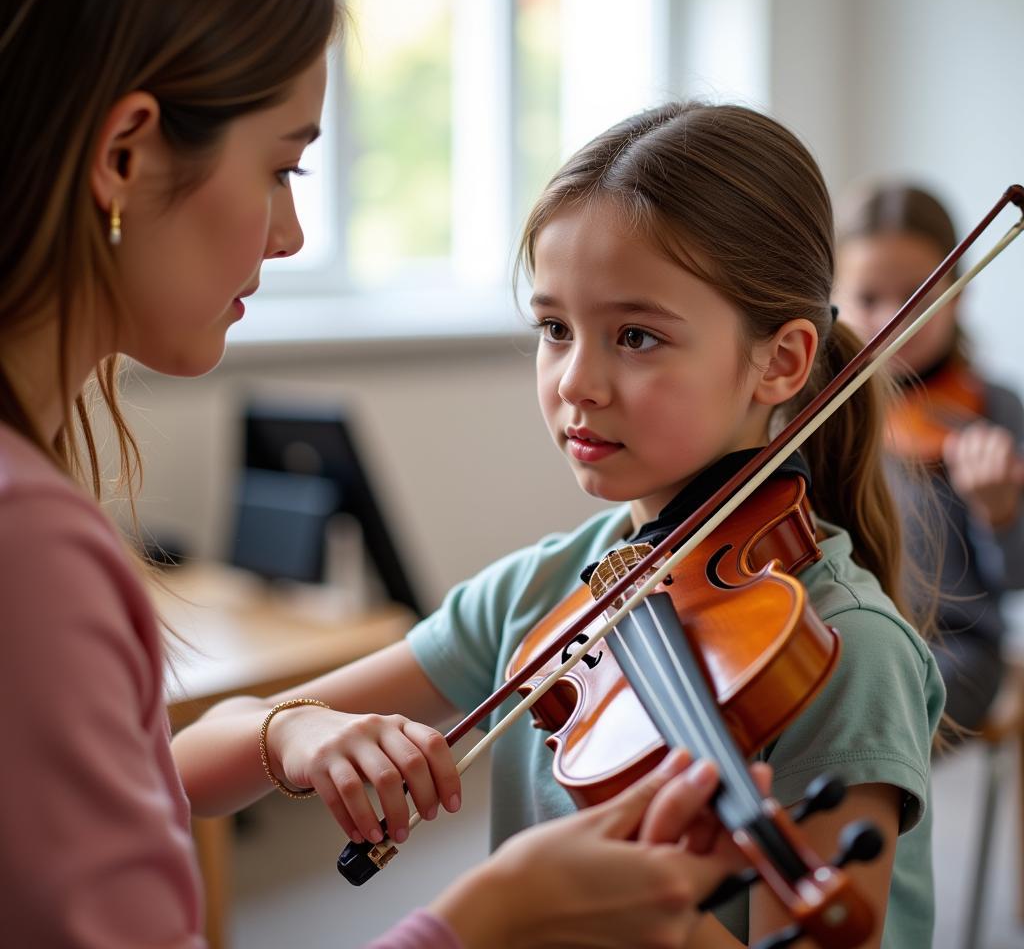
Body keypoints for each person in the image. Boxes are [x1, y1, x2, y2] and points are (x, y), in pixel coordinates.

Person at [0, 0, 755, 946]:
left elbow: (120, 790)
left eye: (635, 335)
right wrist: (482, 920)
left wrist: (287, 729)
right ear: (126, 152)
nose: (290, 234)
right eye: (282, 168)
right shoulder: (29, 545)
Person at [173, 104, 946, 948]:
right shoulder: (540, 595)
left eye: (637, 336)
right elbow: (176, 772)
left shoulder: (845, 651)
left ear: (782, 360)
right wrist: (295, 729)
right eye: (554, 328)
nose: (577, 380)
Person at [833, 182, 1024, 731]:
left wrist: (1000, 513)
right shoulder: (828, 410)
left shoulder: (994, 408)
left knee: (874, 723)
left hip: (956, 650)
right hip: (849, 635)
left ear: (956, 292)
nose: (895, 318)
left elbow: (1014, 582)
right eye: (869, 299)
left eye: (917, 296)